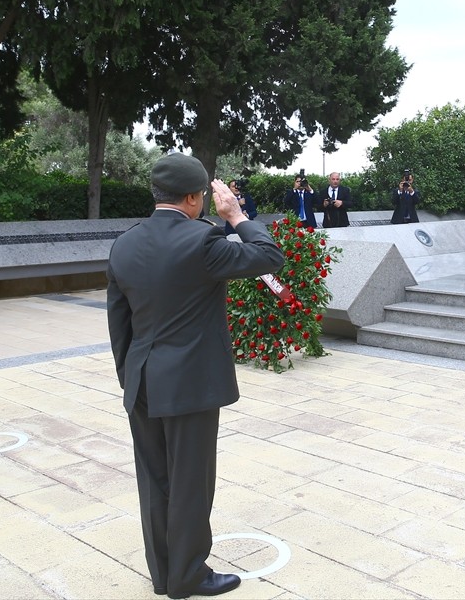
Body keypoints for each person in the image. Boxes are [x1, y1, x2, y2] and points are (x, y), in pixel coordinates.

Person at [107, 153, 284, 599]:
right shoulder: (201, 242)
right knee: (190, 481)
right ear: (193, 197)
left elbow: (118, 321)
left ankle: (164, 573)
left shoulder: (124, 244)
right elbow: (269, 256)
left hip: (142, 379)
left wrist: (129, 375)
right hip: (189, 384)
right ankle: (188, 577)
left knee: (155, 481)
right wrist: (237, 215)